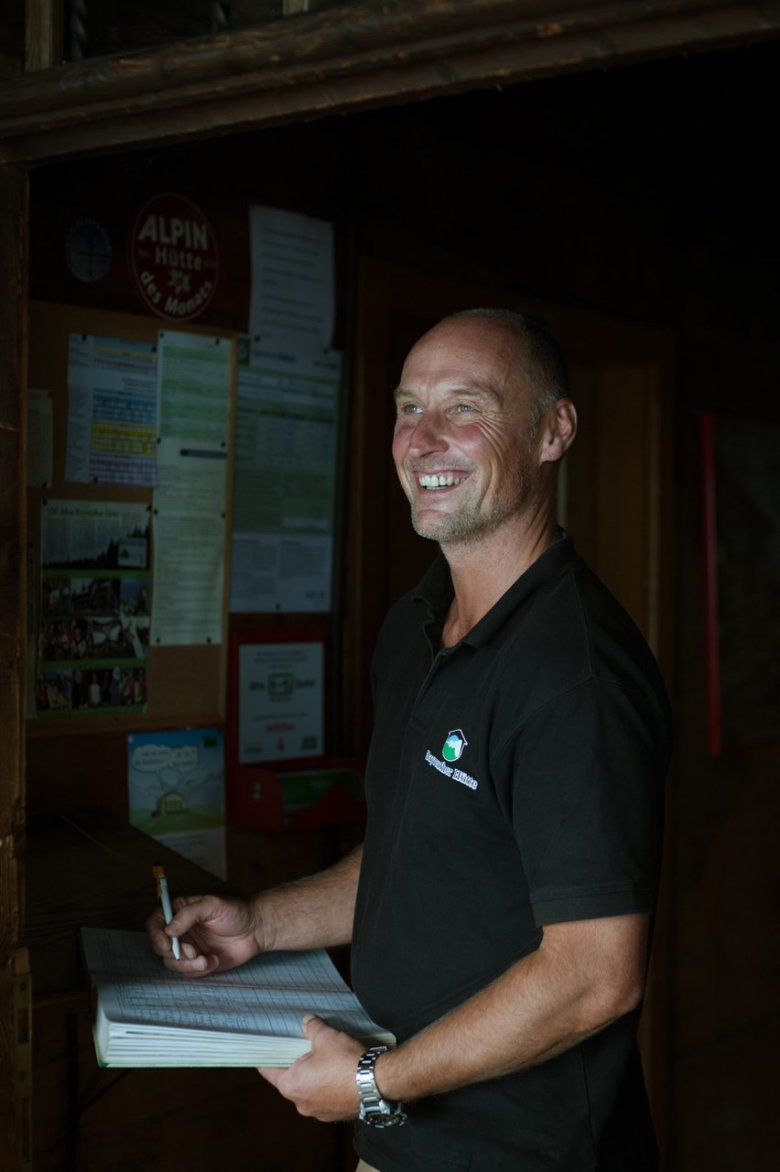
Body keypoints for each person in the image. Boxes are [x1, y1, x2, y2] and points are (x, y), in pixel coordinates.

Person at [148, 308, 672, 1171]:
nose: (421, 440)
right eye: (407, 407)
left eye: (465, 408)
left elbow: (595, 976)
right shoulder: (416, 626)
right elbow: (419, 855)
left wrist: (370, 1081)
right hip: (406, 1139)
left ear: (554, 430)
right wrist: (261, 923)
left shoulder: (576, 678)